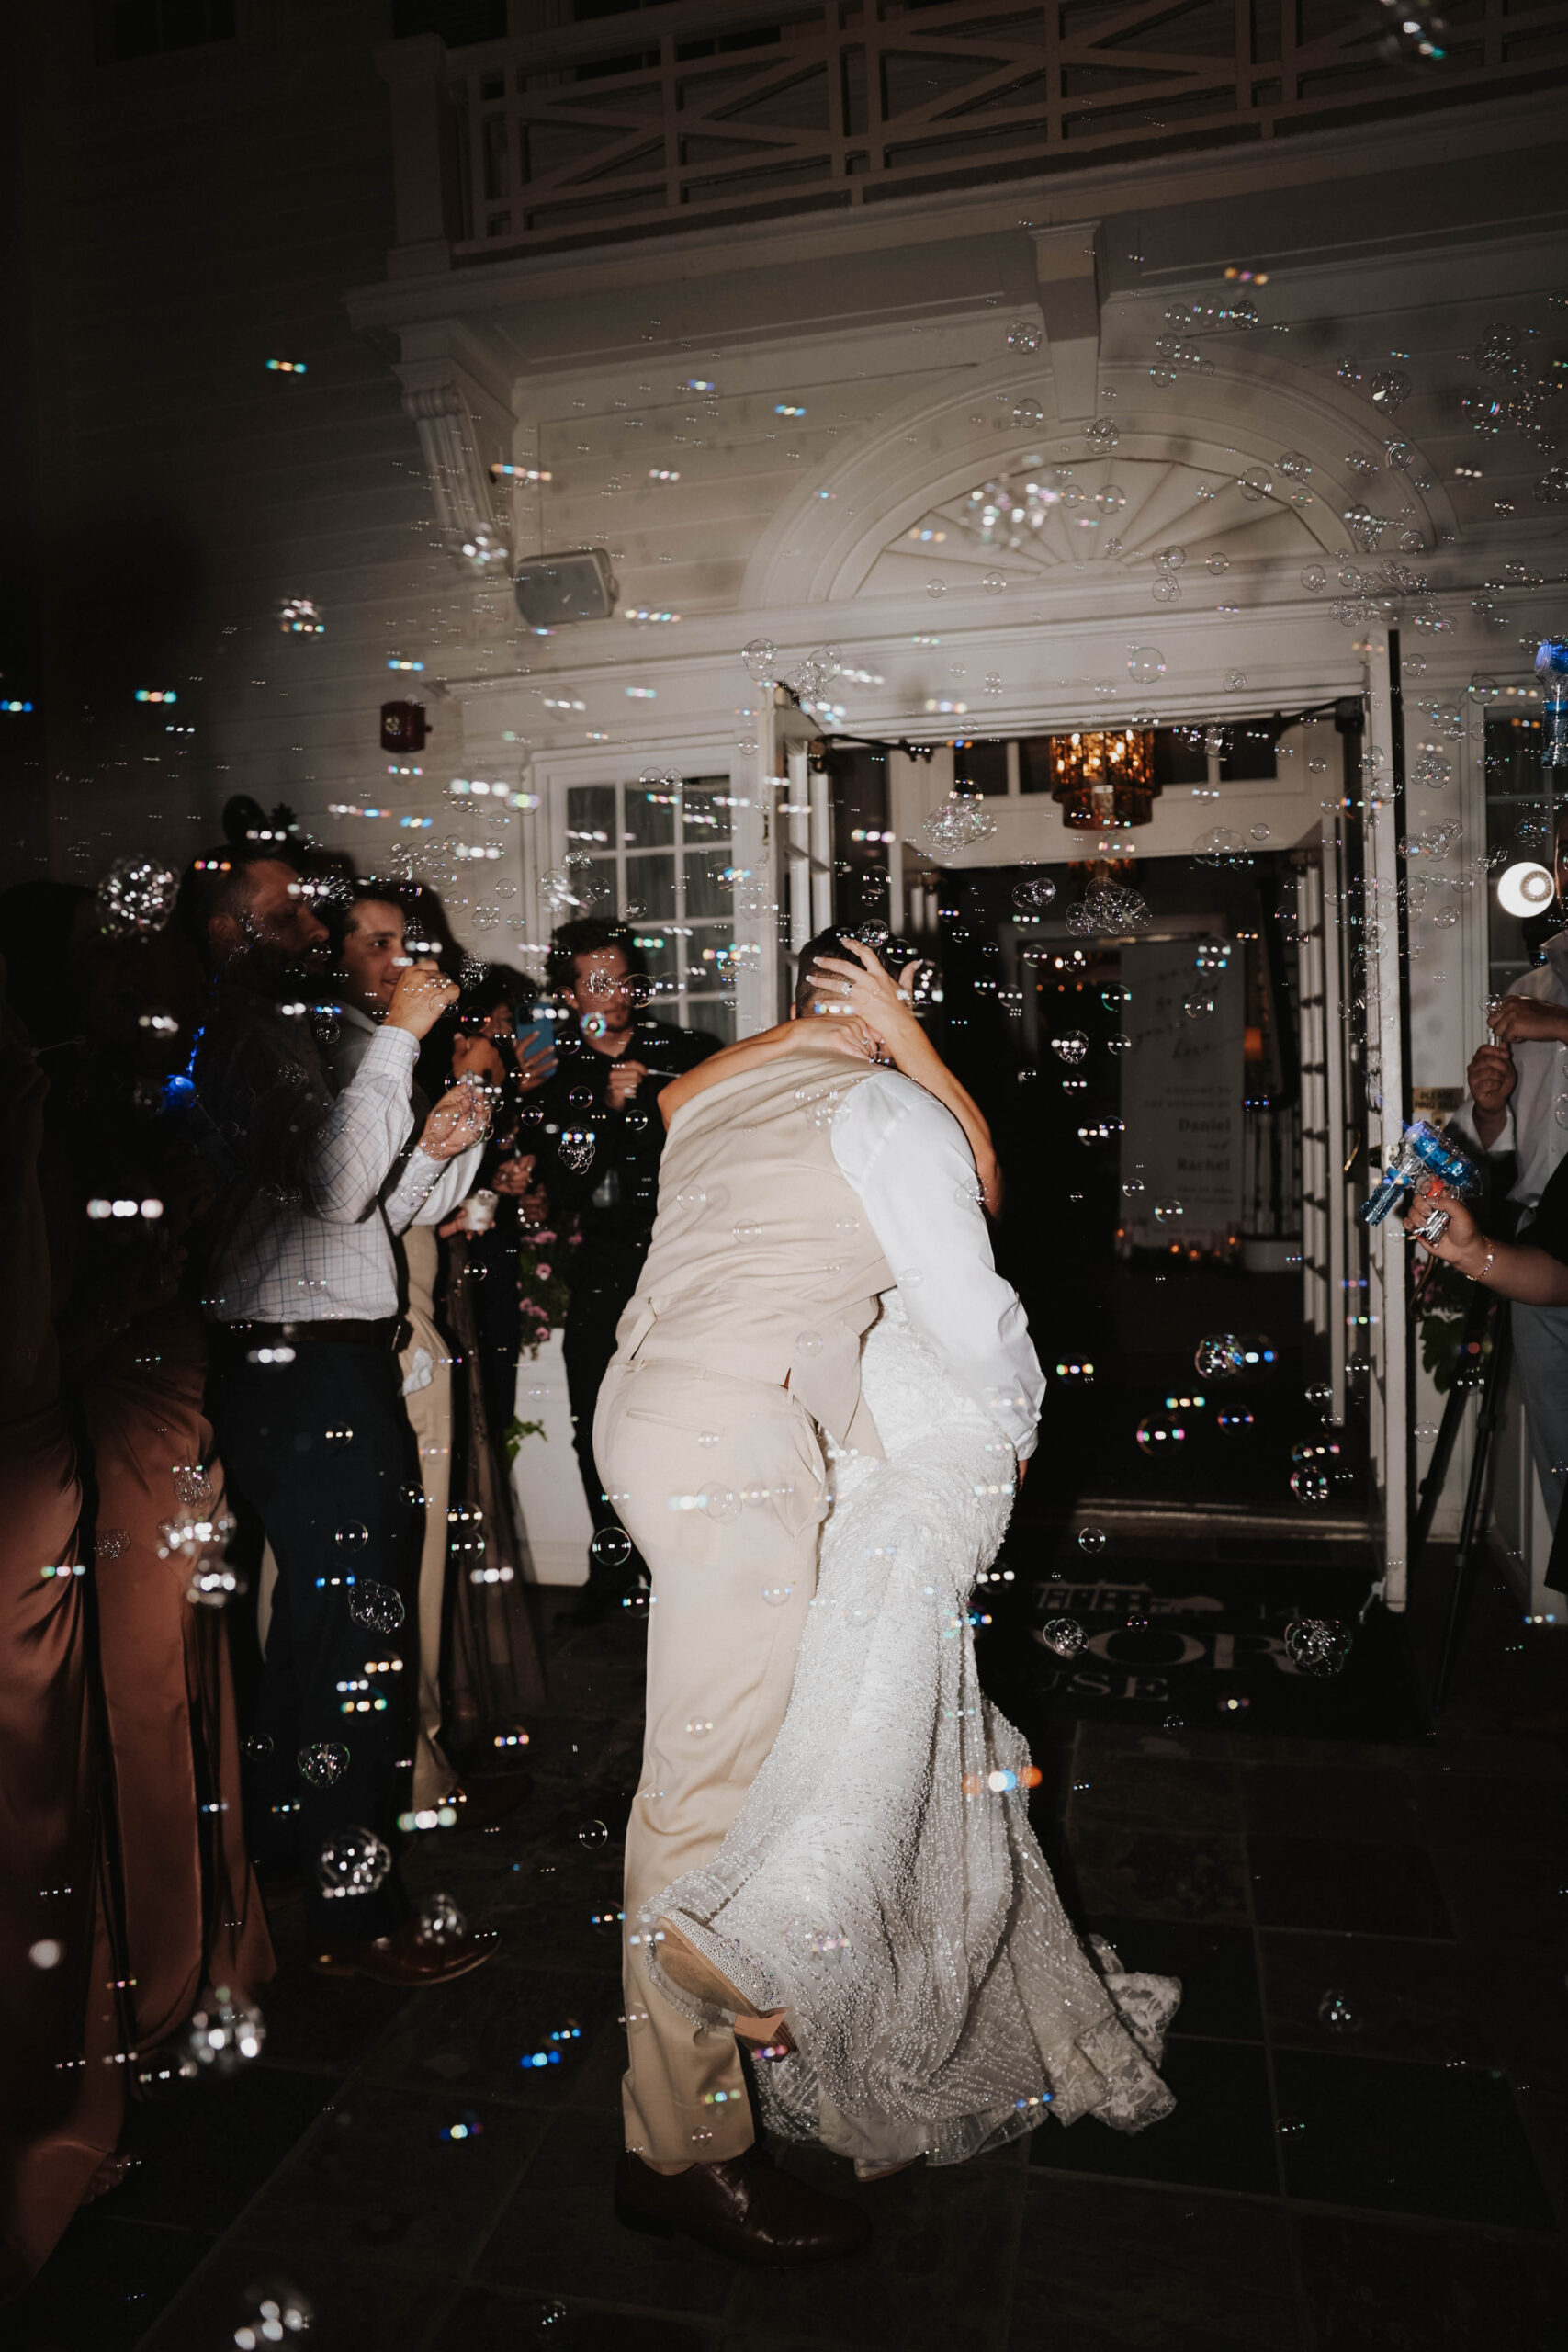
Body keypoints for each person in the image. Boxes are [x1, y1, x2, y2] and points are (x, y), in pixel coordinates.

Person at [599, 929, 1127, 2261]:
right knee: (700, 1788)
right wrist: (1015, 1427)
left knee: (759, 1747)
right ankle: (680, 2148)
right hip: (736, 1440)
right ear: (896, 1011)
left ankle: (761, 2036)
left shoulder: (720, 1088)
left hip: (655, 1414)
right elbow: (966, 1295)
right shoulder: (889, 1106)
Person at [180, 845, 498, 1985]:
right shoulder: (248, 1040)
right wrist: (406, 1040)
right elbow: (330, 1186)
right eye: (292, 921)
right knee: (348, 1642)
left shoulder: (301, 1040)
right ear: (228, 936)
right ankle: (351, 1922)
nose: (319, 936)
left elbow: (378, 1205)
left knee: (325, 1639)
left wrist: (444, 1147)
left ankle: (294, 1865)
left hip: (328, 1364)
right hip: (302, 1375)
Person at [323, 892, 536, 1829]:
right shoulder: (338, 1058)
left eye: (411, 945)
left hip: (400, 1315)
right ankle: (394, 1775)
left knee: (414, 1564)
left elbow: (412, 1195)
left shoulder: (393, 1059)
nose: (403, 962)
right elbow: (341, 1202)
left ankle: (420, 1759)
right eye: (377, 945)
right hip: (369, 1322)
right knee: (368, 1577)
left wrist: (469, 1118)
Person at [532, 920, 719, 1622]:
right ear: (566, 992)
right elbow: (568, 1189)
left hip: (686, 1259)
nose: (614, 994)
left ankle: (687, 1566)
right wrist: (608, 1112)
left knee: (687, 1413)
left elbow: (723, 1146)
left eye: (624, 980)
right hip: (606, 1266)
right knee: (595, 1419)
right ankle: (612, 1567)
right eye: (595, 981)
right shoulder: (558, 1079)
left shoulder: (687, 1051)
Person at [1455, 813, 1568, 1541]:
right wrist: (1488, 1106)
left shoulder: (1541, 1008)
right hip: (1541, 1245)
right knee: (1559, 1448)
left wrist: (1559, 1024)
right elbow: (1499, 1146)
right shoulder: (1529, 986)